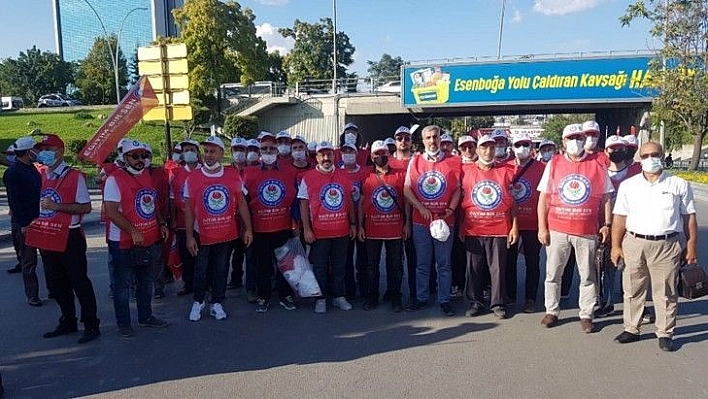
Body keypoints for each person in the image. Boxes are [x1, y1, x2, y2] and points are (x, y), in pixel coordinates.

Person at [611, 142, 697, 352]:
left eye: (655, 154)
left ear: (662, 155)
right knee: (632, 288)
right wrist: (615, 246)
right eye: (646, 155)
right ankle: (632, 328)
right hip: (634, 242)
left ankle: (665, 332)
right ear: (640, 159)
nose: (651, 159)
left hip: (666, 244)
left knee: (665, 291)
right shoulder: (629, 185)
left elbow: (689, 218)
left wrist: (692, 244)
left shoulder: (678, 184)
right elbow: (619, 219)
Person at [537, 123, 613, 333]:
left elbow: (607, 197)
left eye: (579, 137)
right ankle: (552, 310)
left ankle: (586, 314)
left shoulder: (597, 164)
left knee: (587, 275)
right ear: (563, 141)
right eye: (571, 138)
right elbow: (543, 197)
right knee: (553, 273)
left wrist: (606, 224)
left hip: (587, 229)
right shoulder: (554, 163)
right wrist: (542, 227)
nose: (576, 142)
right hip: (557, 228)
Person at [26, 134, 100, 344]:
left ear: (59, 151)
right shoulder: (42, 174)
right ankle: (68, 320)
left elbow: (85, 207)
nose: (42, 153)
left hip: (70, 235)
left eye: (46, 148)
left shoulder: (74, 177)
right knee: (56, 283)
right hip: (47, 233)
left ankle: (91, 323)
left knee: (79, 281)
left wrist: (57, 206)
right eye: (41, 149)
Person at [104, 140, 170, 337]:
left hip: (148, 238)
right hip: (123, 241)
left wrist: (161, 223)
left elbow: (152, 204)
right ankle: (124, 323)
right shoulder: (114, 180)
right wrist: (132, 230)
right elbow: (111, 212)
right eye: (135, 156)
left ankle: (146, 316)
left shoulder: (147, 177)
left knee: (145, 280)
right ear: (125, 158)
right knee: (122, 285)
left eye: (144, 156)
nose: (140, 160)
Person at [185, 136, 253, 322]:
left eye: (213, 151)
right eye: (206, 151)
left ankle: (216, 302)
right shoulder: (193, 178)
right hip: (202, 234)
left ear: (222, 154)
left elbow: (241, 203)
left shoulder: (232, 175)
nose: (208, 155)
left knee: (221, 268)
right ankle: (198, 302)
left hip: (226, 233)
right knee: (201, 269)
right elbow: (189, 209)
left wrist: (248, 229)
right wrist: (189, 236)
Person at [404, 125, 462, 316]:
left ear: (440, 138)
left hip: (445, 220)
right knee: (422, 263)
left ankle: (444, 299)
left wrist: (451, 209)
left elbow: (457, 189)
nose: (432, 140)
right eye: (428, 137)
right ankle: (422, 298)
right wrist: (420, 208)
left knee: (444, 263)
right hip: (421, 221)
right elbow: (407, 189)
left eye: (435, 137)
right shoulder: (415, 161)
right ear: (423, 140)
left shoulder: (453, 161)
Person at [461, 134, 518, 319]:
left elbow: (512, 202)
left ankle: (498, 303)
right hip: (473, 228)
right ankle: (475, 302)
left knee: (498, 269)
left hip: (499, 228)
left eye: (491, 147)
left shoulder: (506, 171)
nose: (488, 151)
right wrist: (461, 226)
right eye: (484, 147)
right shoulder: (465, 171)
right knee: (474, 268)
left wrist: (514, 226)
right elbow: (461, 199)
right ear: (477, 150)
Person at [298, 141, 357, 313]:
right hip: (319, 233)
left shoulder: (343, 175)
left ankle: (339, 296)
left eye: (329, 154)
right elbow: (303, 204)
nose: (326, 158)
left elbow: (350, 202)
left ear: (334, 156)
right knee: (320, 266)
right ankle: (321, 298)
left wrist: (353, 223)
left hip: (342, 231)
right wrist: (307, 229)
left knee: (340, 265)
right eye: (322, 155)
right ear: (316, 157)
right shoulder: (307, 177)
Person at [243, 134, 298, 313]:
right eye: (264, 149)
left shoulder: (289, 171)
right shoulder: (249, 173)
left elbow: (297, 199)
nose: (268, 152)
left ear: (277, 151)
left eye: (271, 149)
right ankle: (264, 297)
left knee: (285, 265)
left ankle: (285, 295)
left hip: (283, 226)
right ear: (259, 151)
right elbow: (243, 201)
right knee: (262, 266)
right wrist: (247, 228)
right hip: (260, 228)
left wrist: (296, 224)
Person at [358, 140, 408, 312]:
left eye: (384, 153)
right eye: (377, 153)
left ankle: (395, 296)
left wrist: (407, 224)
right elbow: (360, 202)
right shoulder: (365, 175)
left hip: (395, 228)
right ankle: (372, 296)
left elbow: (406, 201)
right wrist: (359, 226)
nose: (381, 156)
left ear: (389, 154)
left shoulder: (400, 175)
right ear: (372, 156)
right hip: (372, 228)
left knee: (395, 265)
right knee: (371, 266)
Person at [595, 135, 642, 317]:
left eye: (620, 148)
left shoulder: (638, 172)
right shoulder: (599, 172)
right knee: (604, 267)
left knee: (633, 269)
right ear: (606, 151)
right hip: (605, 228)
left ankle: (637, 306)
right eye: (612, 149)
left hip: (631, 228)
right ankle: (604, 302)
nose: (616, 152)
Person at [506, 133, 546, 313]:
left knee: (532, 262)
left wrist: (545, 224)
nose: (522, 147)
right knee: (509, 260)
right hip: (510, 223)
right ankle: (510, 295)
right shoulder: (505, 167)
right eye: (518, 144)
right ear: (512, 147)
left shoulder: (542, 168)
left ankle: (530, 298)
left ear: (531, 147)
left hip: (533, 223)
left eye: (525, 144)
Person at [4, 136, 42, 306]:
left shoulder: (31, 168)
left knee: (49, 258)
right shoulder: (13, 172)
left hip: (40, 219)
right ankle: (32, 294)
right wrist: (23, 224)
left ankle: (55, 290)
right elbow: (14, 200)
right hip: (25, 222)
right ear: (28, 152)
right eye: (36, 149)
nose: (38, 152)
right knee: (29, 261)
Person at [388, 126, 418, 301]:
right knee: (395, 261)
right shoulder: (388, 162)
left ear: (411, 141)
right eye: (400, 138)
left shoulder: (418, 161)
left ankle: (418, 292)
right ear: (395, 141)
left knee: (416, 259)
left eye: (407, 138)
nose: (403, 141)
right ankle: (394, 293)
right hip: (394, 219)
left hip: (418, 218)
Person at [169, 139, 201, 297]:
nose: (189, 152)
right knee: (186, 255)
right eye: (186, 149)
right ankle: (188, 283)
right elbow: (172, 198)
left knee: (203, 255)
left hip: (204, 222)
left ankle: (204, 284)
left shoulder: (205, 170)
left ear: (197, 152)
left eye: (192, 149)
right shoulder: (176, 173)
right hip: (183, 222)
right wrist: (173, 219)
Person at [341, 142, 369, 299]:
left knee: (363, 257)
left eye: (351, 151)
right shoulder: (338, 173)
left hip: (364, 219)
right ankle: (349, 289)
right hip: (346, 220)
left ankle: (365, 288)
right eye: (345, 151)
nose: (348, 154)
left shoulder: (365, 172)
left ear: (357, 153)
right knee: (346, 256)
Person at [226, 137, 248, 291]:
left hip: (247, 218)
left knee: (245, 250)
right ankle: (233, 279)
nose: (239, 153)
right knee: (228, 252)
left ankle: (247, 282)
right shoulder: (225, 171)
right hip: (229, 219)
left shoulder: (252, 170)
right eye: (236, 149)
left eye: (242, 149)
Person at [3, 144, 22, 274]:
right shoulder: (11, 172)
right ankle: (22, 262)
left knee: (25, 243)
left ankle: (26, 265)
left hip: (25, 213)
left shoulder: (24, 171)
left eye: (11, 155)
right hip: (15, 211)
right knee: (17, 240)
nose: (8, 158)